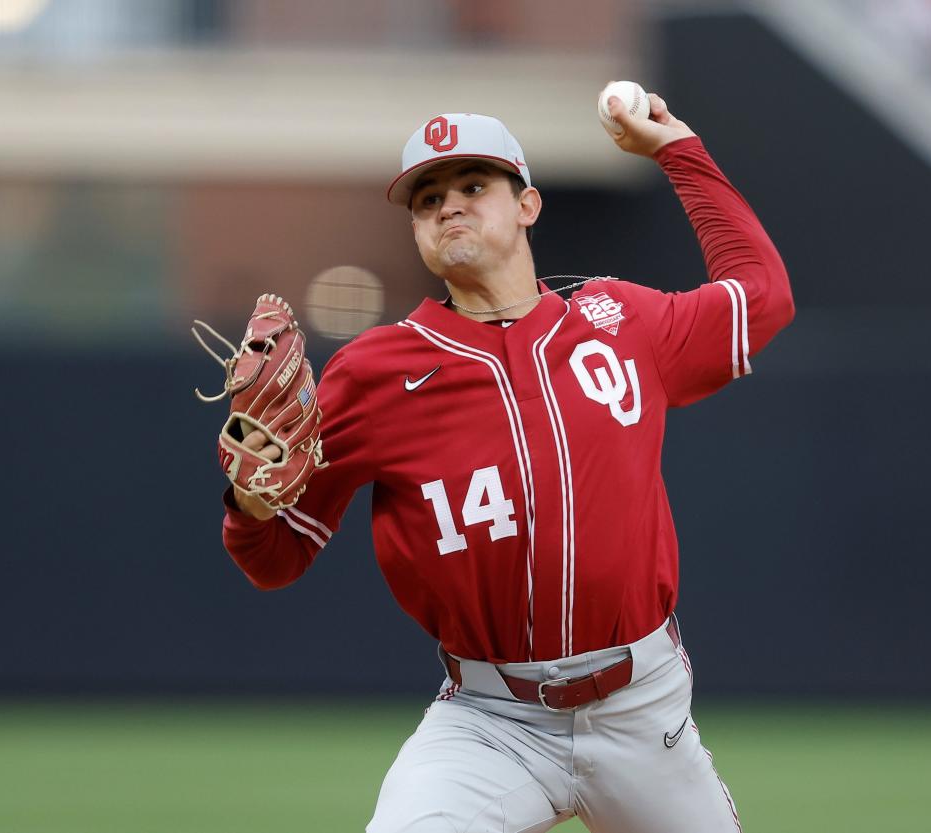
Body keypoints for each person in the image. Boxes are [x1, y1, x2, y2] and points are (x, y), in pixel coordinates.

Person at [220, 93, 794, 832]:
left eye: (472, 187)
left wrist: (677, 149)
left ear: (527, 205)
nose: (448, 207)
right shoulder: (375, 372)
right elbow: (275, 558)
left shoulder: (620, 323)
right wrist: (250, 504)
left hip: (642, 710)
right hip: (491, 722)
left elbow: (763, 296)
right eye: (428, 198)